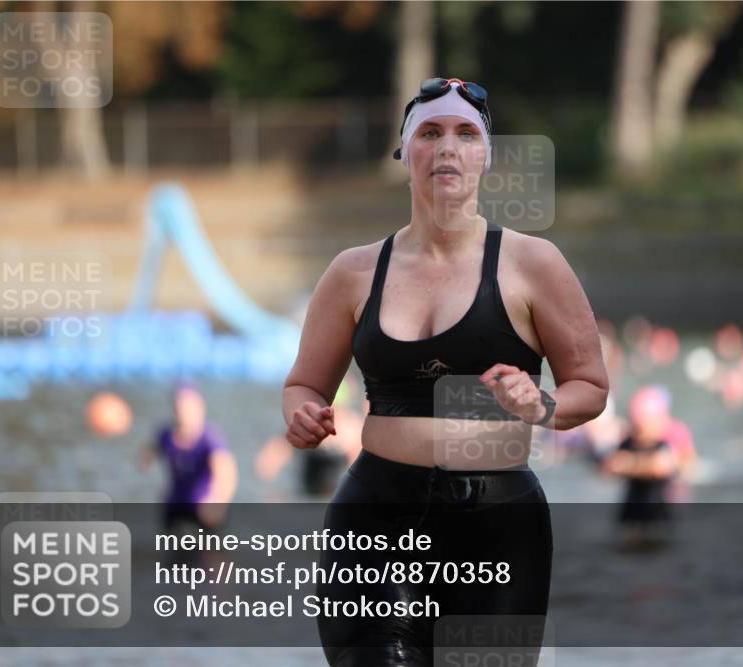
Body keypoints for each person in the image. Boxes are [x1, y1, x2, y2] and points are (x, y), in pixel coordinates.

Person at [281, 77, 608, 666]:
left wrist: (542, 405)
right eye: (429, 133)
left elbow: (592, 387)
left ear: (486, 155)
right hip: (375, 519)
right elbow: (304, 383)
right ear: (405, 153)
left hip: (496, 524)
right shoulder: (353, 272)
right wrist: (301, 412)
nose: (447, 147)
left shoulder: (533, 263)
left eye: (465, 133)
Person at [139, 380, 238, 532]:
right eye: (180, 406)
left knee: (209, 553)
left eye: (189, 406)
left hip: (204, 507)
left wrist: (217, 501)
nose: (184, 411)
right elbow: (146, 458)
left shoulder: (210, 439)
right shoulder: (165, 435)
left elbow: (226, 474)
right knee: (171, 550)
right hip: (175, 505)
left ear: (200, 407)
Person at [602, 386, 678, 548]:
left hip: (657, 515)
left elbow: (662, 467)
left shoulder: (662, 445)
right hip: (631, 514)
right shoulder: (627, 443)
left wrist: (631, 464)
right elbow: (610, 466)